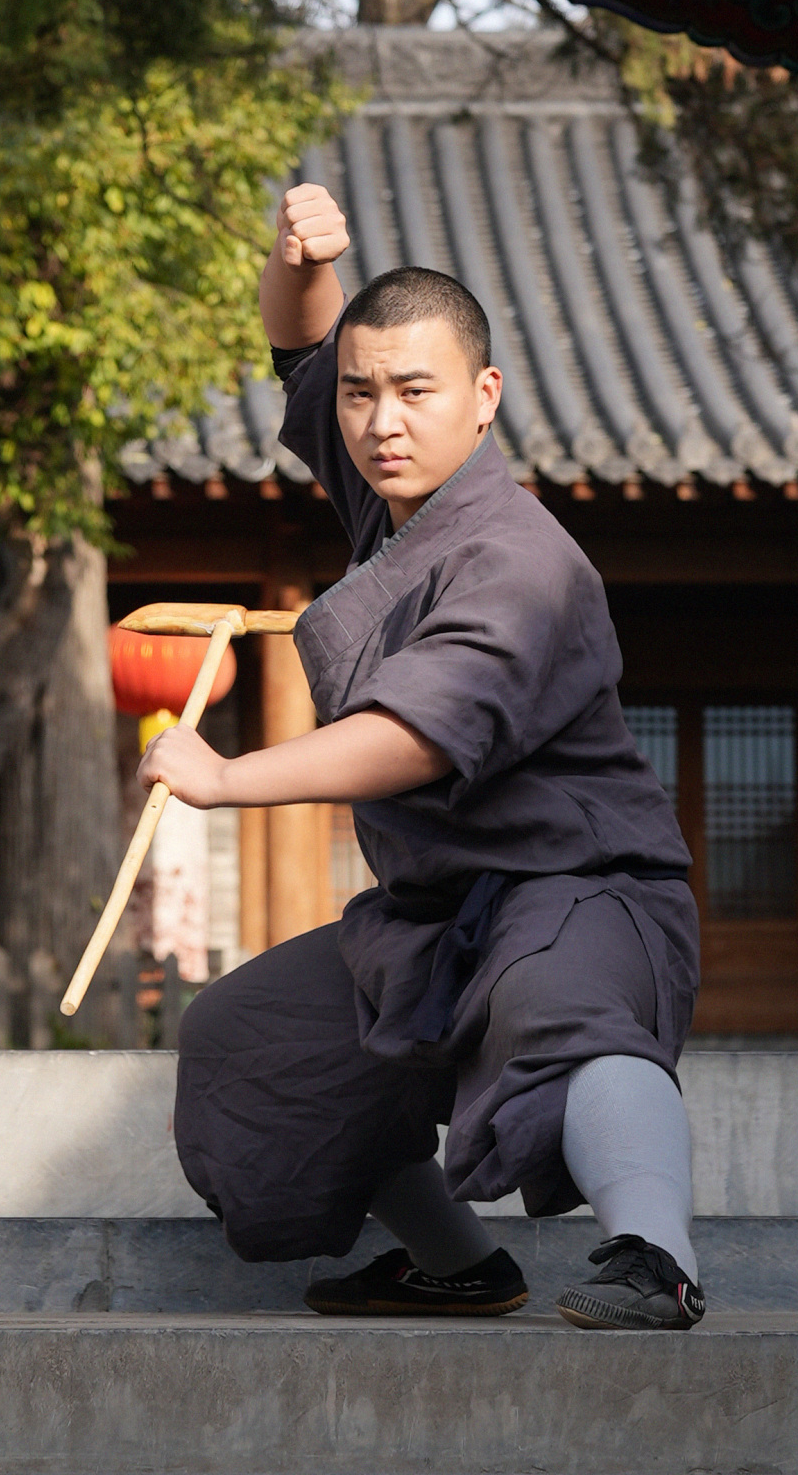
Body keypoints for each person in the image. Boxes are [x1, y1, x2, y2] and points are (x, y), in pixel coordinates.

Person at [138, 181, 705, 1331]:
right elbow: (304, 340)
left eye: (413, 391)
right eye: (363, 395)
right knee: (247, 1038)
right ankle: (456, 1263)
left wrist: (230, 779)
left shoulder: (519, 559)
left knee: (563, 1011)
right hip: (432, 914)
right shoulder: (391, 496)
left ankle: (655, 1257)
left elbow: (414, 735)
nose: (380, 421)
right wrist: (301, 258)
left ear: (483, 398)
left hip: (581, 889)